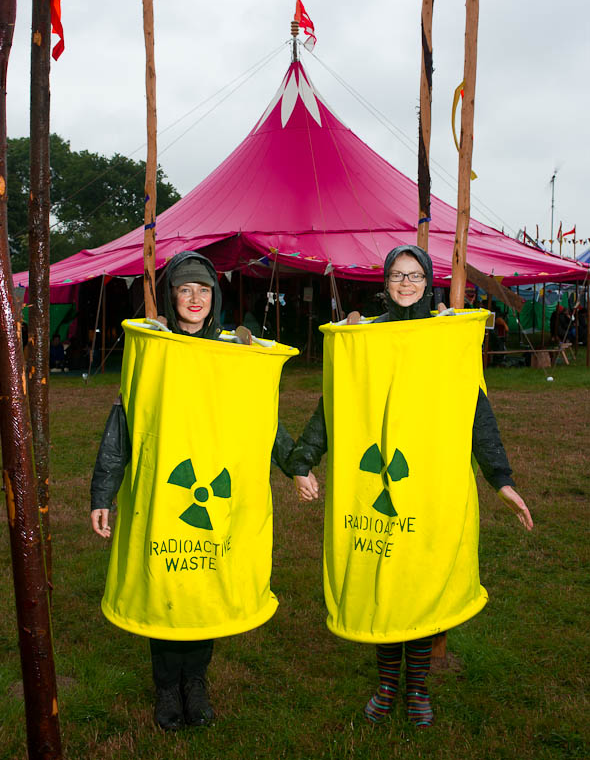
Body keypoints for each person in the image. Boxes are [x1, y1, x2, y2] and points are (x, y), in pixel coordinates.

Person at [290, 244, 533, 728]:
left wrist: (500, 478)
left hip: (429, 485)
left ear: (428, 281)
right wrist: (303, 459)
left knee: (420, 588)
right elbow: (336, 403)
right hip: (376, 485)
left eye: (415, 275)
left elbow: (474, 411)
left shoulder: (444, 337)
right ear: (386, 283)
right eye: (397, 275)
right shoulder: (364, 339)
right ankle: (386, 685)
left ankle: (417, 689)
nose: (406, 283)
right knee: (385, 588)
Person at [91, 251, 295, 731]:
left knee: (202, 590)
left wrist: (296, 464)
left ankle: (195, 683)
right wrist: (103, 491)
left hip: (215, 493)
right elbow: (125, 420)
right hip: (164, 490)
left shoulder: (230, 352)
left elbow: (259, 417)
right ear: (171, 296)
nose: (195, 298)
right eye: (185, 289)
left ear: (214, 297)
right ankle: (167, 687)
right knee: (163, 584)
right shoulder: (152, 348)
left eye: (203, 289)